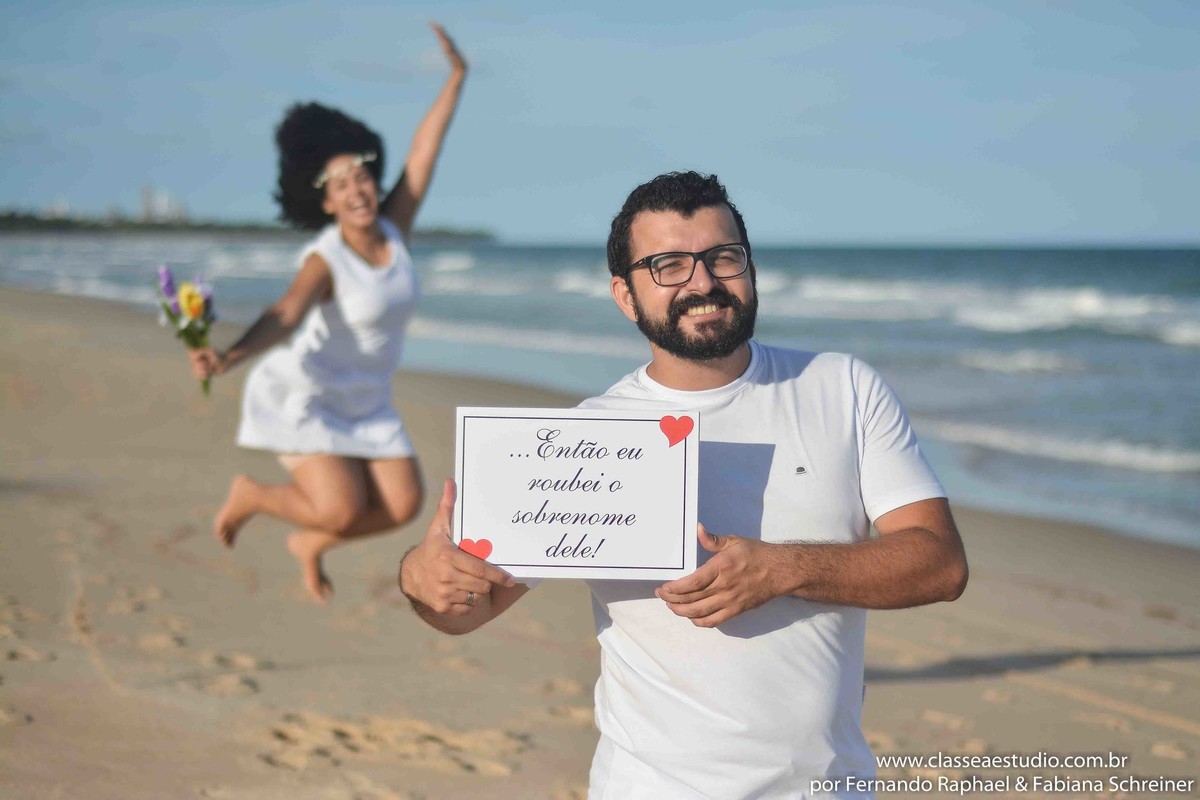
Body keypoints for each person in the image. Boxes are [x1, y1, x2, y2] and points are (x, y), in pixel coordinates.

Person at [397, 171, 968, 798]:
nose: (702, 282)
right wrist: (423, 578)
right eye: (668, 265)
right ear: (624, 295)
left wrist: (783, 569)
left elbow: (939, 564)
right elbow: (465, 611)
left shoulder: (842, 387)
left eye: (723, 257)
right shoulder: (588, 439)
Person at [187, 23, 468, 603]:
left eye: (361, 175)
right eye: (340, 184)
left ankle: (309, 545)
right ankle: (254, 495)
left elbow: (424, 150)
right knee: (339, 508)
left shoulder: (396, 227)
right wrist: (232, 355)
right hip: (307, 390)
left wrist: (458, 77)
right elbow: (287, 311)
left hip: (366, 396)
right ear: (325, 201)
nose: (357, 189)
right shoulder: (326, 258)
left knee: (401, 506)